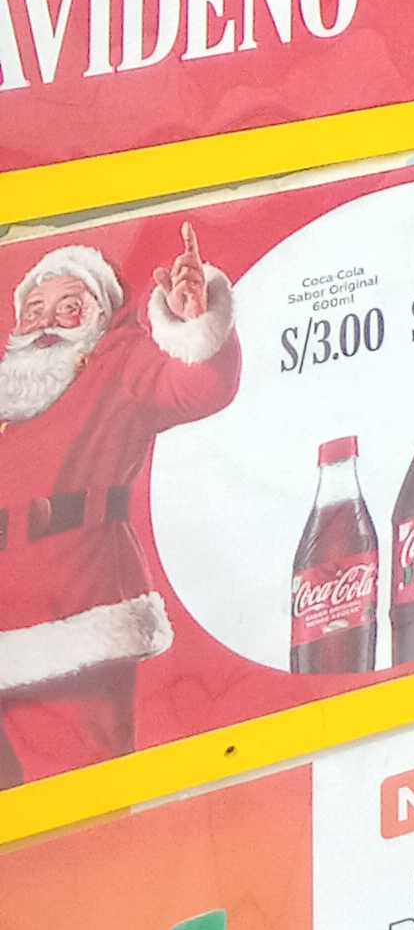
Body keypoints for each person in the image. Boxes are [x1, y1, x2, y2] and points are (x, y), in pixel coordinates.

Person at [0, 227, 238, 780]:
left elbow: (198, 386)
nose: (47, 322)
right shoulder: (10, 396)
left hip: (73, 616)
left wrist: (194, 322)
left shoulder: (120, 365)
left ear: (98, 319)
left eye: (69, 307)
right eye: (34, 309)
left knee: (75, 789)